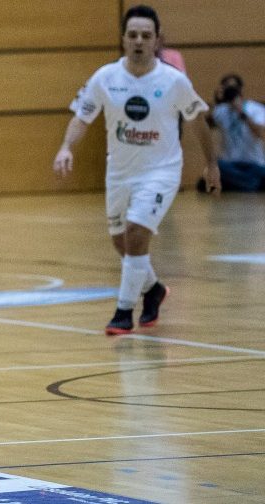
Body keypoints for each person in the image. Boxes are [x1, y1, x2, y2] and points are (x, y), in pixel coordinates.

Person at [53, 5, 220, 336]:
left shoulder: (174, 81)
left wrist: (211, 164)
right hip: (119, 172)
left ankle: (123, 310)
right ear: (123, 39)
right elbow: (82, 117)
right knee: (122, 243)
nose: (139, 41)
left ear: (158, 40)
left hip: (161, 171)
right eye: (133, 35)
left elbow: (198, 121)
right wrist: (66, 147)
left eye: (146, 35)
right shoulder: (105, 78)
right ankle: (153, 289)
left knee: (137, 233)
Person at [208, 75, 265, 191]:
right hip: (232, 164)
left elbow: (259, 133)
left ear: (241, 89)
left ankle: (244, 184)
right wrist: (217, 100)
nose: (231, 92)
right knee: (217, 166)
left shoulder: (255, 108)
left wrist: (241, 111)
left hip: (254, 164)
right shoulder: (221, 110)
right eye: (227, 89)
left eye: (233, 88)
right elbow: (206, 123)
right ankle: (251, 185)